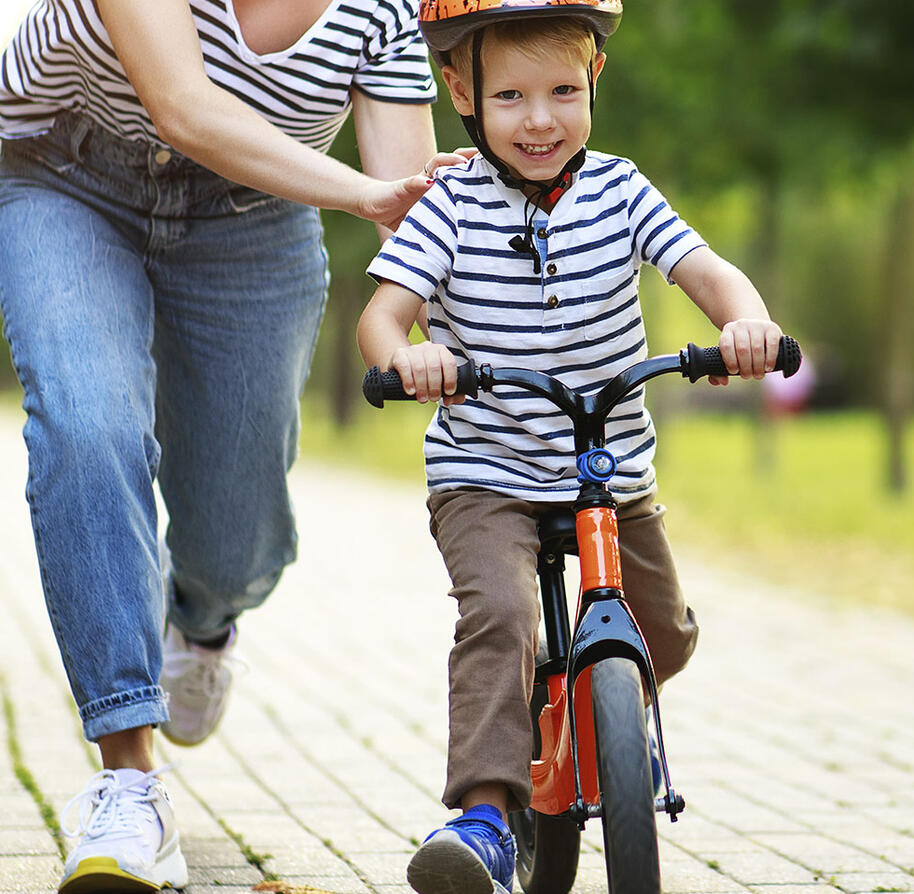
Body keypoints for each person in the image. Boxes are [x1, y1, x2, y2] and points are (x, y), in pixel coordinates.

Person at [0, 0, 468, 890]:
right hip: (70, 181)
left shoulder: (385, 10)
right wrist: (362, 191)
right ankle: (129, 781)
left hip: (256, 219)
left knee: (238, 524)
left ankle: (201, 626)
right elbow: (183, 106)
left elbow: (411, 206)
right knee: (87, 428)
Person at [356, 1, 785, 891]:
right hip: (488, 477)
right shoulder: (449, 204)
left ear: (594, 81)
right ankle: (483, 818)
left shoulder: (623, 190)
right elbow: (381, 320)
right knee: (503, 620)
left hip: (608, 471)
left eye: (560, 90)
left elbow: (706, 273)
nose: (540, 119)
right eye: (510, 95)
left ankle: (598, 736)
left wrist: (745, 323)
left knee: (662, 635)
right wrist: (411, 357)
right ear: (461, 91)